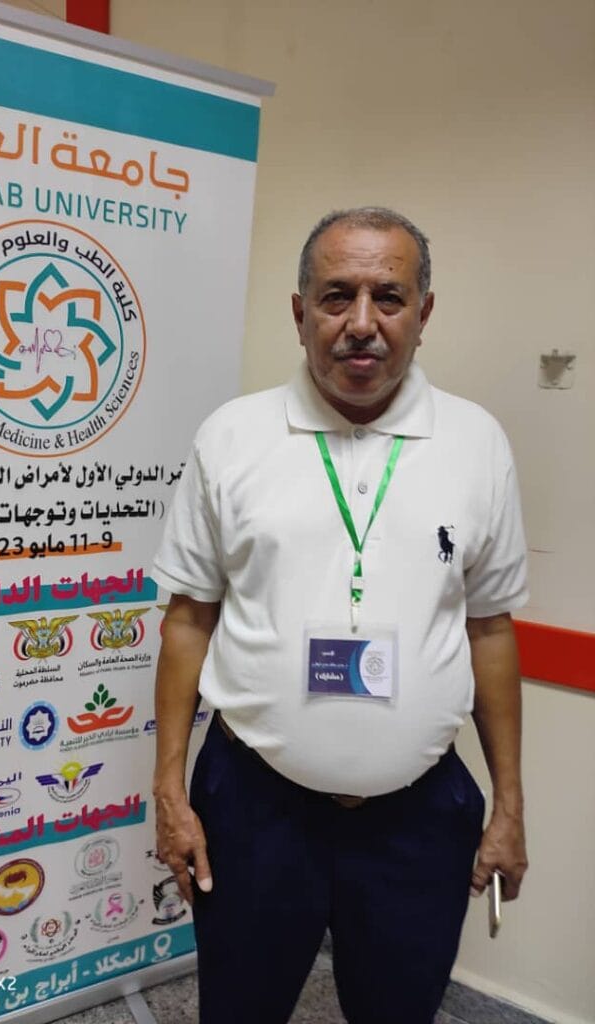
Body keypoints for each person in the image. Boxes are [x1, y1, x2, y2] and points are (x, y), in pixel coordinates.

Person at [151, 207, 529, 1024]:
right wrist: (170, 792)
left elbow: (491, 627)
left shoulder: (477, 443)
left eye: (388, 297)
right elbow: (188, 617)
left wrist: (509, 805)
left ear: (423, 313)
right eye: (335, 297)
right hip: (252, 807)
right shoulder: (232, 437)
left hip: (419, 819)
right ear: (300, 313)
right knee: (240, 1010)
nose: (362, 323)